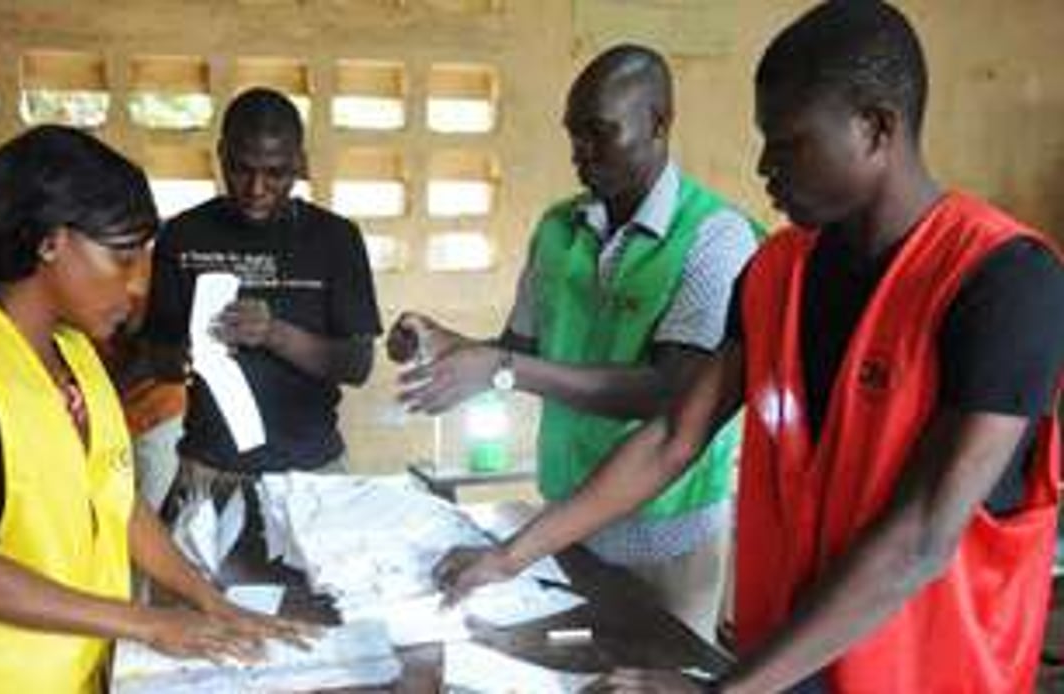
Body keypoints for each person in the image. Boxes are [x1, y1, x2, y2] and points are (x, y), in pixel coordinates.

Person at [436, 3, 1064, 692]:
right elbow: (674, 435)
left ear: (876, 127)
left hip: (924, 670)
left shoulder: (1000, 278)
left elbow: (923, 533)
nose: (763, 164)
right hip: (786, 660)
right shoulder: (774, 273)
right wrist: (511, 555)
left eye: (789, 142)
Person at [0, 125, 311, 694]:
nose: (140, 286)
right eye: (122, 259)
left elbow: (116, 499)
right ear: (50, 242)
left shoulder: (73, 353)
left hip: (69, 673)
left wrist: (210, 601)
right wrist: (150, 623)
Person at [392, 43, 758, 640]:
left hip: (666, 536)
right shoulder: (559, 229)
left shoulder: (716, 240)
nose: (580, 153)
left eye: (599, 133)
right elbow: (523, 349)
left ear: (659, 122)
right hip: (567, 521)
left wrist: (500, 367)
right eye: (572, 135)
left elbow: (669, 394)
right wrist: (451, 345)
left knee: (657, 668)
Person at [140, 88, 381, 545]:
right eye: (241, 169)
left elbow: (357, 365)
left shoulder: (335, 240)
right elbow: (160, 361)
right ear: (221, 156)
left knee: (320, 609)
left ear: (300, 164)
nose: (256, 188)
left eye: (276, 173)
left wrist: (274, 334)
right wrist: (189, 350)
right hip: (208, 471)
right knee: (196, 607)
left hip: (313, 475)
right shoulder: (182, 235)